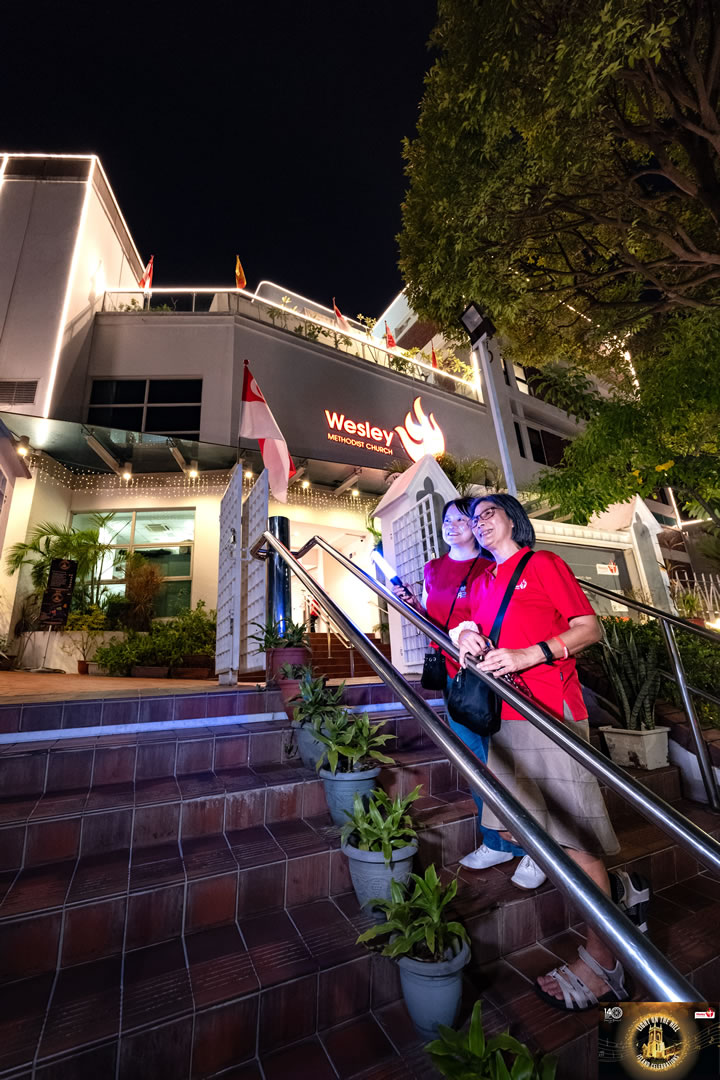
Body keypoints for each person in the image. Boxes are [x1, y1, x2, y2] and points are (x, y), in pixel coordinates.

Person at [452, 493, 627, 1012]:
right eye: (474, 518)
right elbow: (479, 629)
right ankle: (622, 895)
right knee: (524, 831)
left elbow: (589, 627)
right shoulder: (484, 580)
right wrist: (468, 639)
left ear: (514, 519)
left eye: (489, 513)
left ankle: (605, 962)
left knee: (573, 841)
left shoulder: (543, 563)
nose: (480, 523)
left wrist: (532, 653)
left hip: (550, 712)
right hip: (505, 718)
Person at [392, 497, 537, 881]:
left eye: (462, 519)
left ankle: (532, 845)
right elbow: (432, 619)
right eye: (448, 521)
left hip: (490, 673)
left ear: (477, 527)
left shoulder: (491, 566)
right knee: (474, 760)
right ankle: (497, 841)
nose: (453, 526)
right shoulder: (433, 568)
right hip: (452, 675)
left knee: (506, 760)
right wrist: (412, 605)